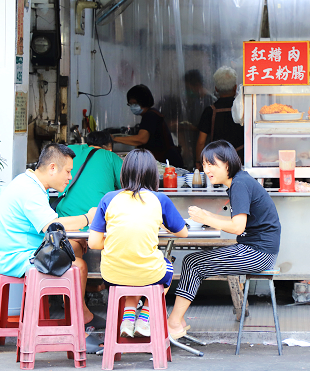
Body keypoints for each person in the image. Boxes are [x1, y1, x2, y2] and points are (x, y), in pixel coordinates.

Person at [167, 140, 280, 339]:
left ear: (227, 164)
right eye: (204, 164)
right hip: (256, 249)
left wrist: (207, 218)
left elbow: (238, 227)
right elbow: (235, 221)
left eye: (212, 164)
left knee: (193, 263)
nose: (207, 169)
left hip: (258, 253)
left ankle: (174, 322)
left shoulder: (239, 184)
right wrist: (206, 216)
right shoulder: (239, 181)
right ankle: (178, 321)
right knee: (193, 262)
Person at [0, 143, 103, 329]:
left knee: (75, 245)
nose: (70, 177)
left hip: (23, 248)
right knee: (80, 266)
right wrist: (87, 218)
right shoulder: (29, 190)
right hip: (15, 257)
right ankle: (79, 318)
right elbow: (52, 226)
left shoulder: (28, 183)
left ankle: (73, 310)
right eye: (67, 171)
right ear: (52, 168)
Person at [88, 149, 188, 337]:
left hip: (111, 275)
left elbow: (94, 243)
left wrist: (118, 241)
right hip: (148, 273)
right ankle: (144, 318)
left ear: (124, 173)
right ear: (153, 174)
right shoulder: (159, 199)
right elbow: (182, 232)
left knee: (131, 271)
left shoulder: (108, 199)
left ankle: (128, 318)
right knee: (166, 268)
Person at [56, 131, 123, 252]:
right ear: (109, 147)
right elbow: (129, 186)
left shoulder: (69, 150)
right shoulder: (110, 156)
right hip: (96, 225)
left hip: (65, 224)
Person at [114, 84, 184, 168]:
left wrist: (114, 139)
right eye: (130, 104)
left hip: (167, 162)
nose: (132, 107)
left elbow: (141, 139)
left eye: (135, 104)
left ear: (143, 101)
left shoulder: (150, 115)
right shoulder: (151, 114)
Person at [195, 66, 245, 171]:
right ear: (236, 88)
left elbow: (201, 142)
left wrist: (199, 162)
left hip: (217, 162)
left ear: (216, 89)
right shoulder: (244, 109)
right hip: (241, 160)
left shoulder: (210, 111)